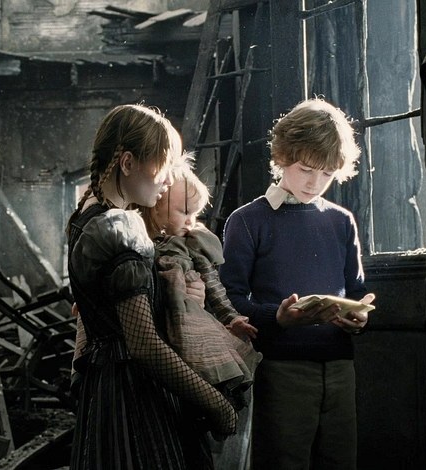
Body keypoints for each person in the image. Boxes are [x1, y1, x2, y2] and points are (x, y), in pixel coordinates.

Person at [66, 104, 237, 469]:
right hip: (136, 399)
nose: (168, 182)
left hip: (104, 393)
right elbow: (143, 345)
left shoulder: (83, 218)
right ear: (128, 163)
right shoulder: (119, 229)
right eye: (163, 167)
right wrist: (216, 403)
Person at [219, 97, 376, 470]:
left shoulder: (341, 221)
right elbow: (226, 299)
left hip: (339, 367)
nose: (315, 183)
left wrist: (360, 317)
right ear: (282, 156)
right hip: (280, 368)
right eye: (306, 169)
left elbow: (356, 292)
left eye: (326, 174)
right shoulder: (248, 221)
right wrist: (277, 317)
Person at [140, 158, 261, 410]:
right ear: (155, 206)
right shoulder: (140, 245)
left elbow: (214, 287)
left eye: (195, 214)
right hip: (154, 335)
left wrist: (231, 317)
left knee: (202, 375)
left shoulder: (192, 245)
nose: (190, 221)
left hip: (189, 326)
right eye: (184, 212)